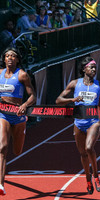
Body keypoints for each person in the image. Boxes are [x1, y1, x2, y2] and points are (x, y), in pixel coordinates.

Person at [56, 56, 100, 194]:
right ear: (84, 69)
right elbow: (58, 100)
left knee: (89, 148)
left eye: (95, 67)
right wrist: (73, 99)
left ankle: (96, 176)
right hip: (78, 122)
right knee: (82, 154)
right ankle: (88, 179)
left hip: (93, 121)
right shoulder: (75, 84)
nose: (94, 69)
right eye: (91, 67)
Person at [0, 47, 36, 195]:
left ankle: (23, 130)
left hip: (18, 116)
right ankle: (1, 185)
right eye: (7, 56)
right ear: (4, 59)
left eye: (13, 56)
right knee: (2, 147)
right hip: (3, 114)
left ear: (18, 59)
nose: (9, 58)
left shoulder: (22, 75)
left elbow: (33, 96)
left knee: (17, 151)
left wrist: (25, 105)